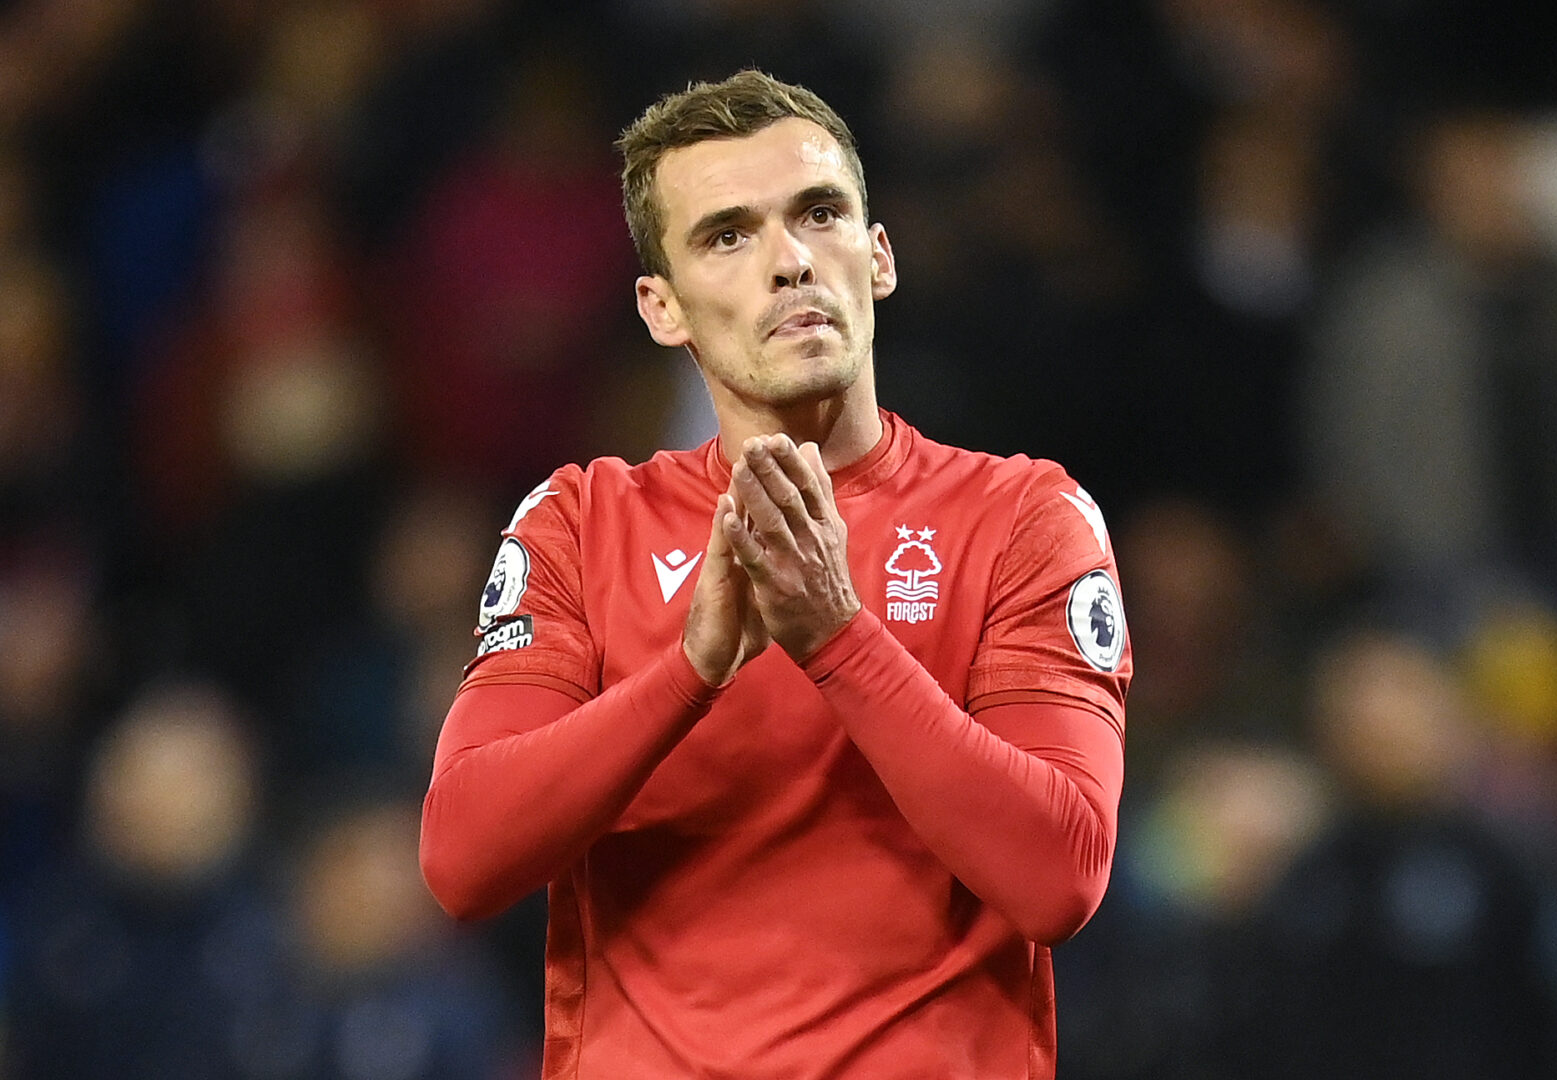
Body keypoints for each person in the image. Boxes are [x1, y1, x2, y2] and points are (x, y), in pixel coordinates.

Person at [418, 69, 1132, 1079]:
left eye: (820, 213)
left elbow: (1060, 876)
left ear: (879, 257)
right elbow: (463, 859)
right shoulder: (581, 522)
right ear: (662, 309)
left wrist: (839, 640)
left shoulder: (1022, 518)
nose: (790, 261)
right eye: (727, 236)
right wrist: (689, 672)